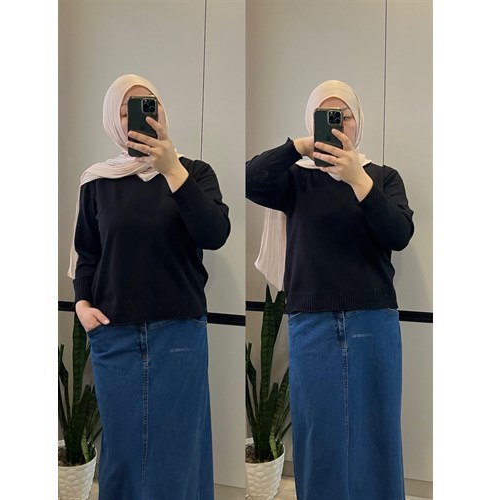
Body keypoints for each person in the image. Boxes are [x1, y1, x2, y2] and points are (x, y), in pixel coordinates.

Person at [246, 80, 414, 500]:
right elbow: (249, 178)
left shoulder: (382, 177)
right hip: (312, 321)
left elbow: (398, 233)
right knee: (317, 433)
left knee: (376, 430)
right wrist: (299, 147)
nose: (338, 125)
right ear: (311, 122)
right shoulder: (294, 179)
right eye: (326, 116)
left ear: (359, 122)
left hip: (372, 320)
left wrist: (359, 180)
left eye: (345, 116)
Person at [68, 74, 230, 500]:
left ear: (161, 114)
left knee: (179, 451)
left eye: (147, 107)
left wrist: (172, 169)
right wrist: (82, 304)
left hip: (179, 334)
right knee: (122, 455)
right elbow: (87, 252)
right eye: (126, 111)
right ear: (113, 120)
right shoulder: (97, 181)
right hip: (114, 334)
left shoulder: (194, 173)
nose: (136, 119)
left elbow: (215, 234)